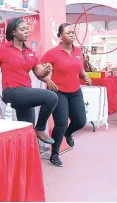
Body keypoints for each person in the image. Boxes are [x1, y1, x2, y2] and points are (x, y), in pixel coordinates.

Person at [0, 17, 58, 144]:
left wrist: (47, 70)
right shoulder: (2, 50)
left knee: (28, 132)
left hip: (25, 93)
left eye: (27, 29)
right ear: (13, 32)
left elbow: (39, 73)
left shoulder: (30, 52)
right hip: (11, 92)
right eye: (22, 29)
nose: (26, 31)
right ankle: (40, 129)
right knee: (51, 97)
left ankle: (25, 158)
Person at [41, 23, 92, 167]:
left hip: (75, 91)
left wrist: (85, 77)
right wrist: (48, 79)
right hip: (58, 91)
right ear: (60, 36)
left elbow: (79, 68)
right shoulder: (52, 52)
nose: (71, 34)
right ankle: (54, 154)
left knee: (80, 121)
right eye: (68, 32)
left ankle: (68, 134)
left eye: (73, 32)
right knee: (61, 124)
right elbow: (38, 68)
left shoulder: (78, 51)